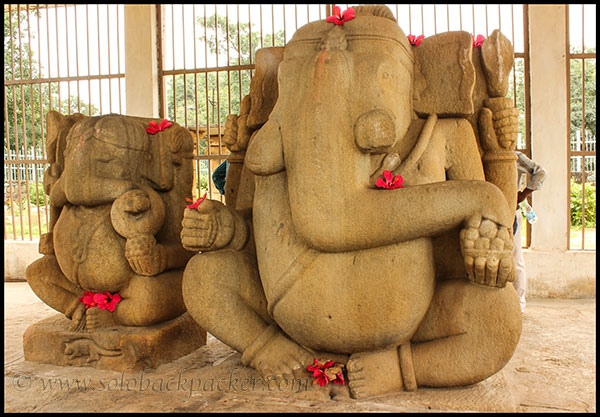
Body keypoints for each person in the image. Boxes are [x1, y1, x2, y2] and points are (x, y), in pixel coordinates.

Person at [513, 150, 547, 313]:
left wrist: (523, 195)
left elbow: (540, 172)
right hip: (491, 210)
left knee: (515, 258)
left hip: (512, 211)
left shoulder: (515, 156)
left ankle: (519, 304)